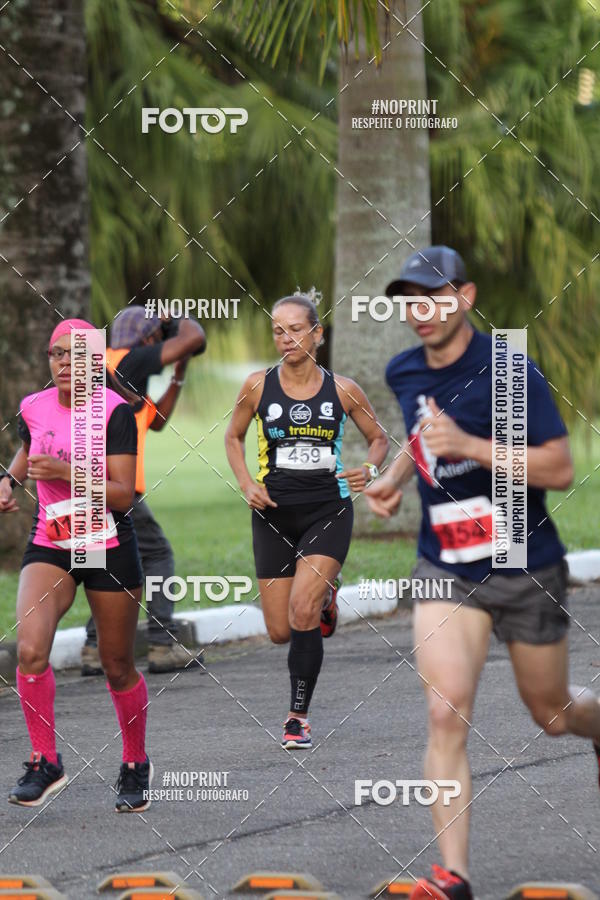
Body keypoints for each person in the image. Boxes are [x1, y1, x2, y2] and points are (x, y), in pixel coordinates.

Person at [365, 246, 600, 900]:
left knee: (551, 713)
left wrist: (469, 447)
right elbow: (422, 434)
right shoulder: (403, 370)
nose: (421, 311)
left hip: (525, 563)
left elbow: (557, 468)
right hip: (444, 563)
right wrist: (392, 479)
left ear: (464, 298)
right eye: (410, 299)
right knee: (444, 713)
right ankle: (453, 877)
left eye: (434, 296)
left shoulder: (509, 370)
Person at [0, 319, 153, 812]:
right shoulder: (34, 406)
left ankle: (134, 762)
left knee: (116, 664)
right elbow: (30, 446)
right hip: (52, 543)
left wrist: (68, 472)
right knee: (29, 648)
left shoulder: (114, 412)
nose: (65, 363)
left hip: (107, 543)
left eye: (77, 354)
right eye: (57, 354)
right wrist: (8, 479)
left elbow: (123, 493)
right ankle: (45, 759)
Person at [225, 290, 388, 748]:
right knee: (280, 631)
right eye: (279, 330)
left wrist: (371, 470)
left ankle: (297, 717)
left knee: (301, 611)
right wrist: (245, 483)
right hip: (273, 512)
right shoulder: (257, 386)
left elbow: (378, 439)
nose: (287, 338)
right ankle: (327, 601)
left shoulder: (344, 389)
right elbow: (233, 437)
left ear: (317, 334)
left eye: (296, 329)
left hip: (328, 508)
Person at [81, 306, 206, 676]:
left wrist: (179, 374)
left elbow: (157, 421)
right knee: (157, 555)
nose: (161, 348)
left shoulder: (120, 374)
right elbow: (194, 337)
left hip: (92, 486)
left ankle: (93, 650)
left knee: (107, 565)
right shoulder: (125, 359)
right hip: (119, 490)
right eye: (156, 339)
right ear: (146, 339)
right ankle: (162, 644)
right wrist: (173, 320)